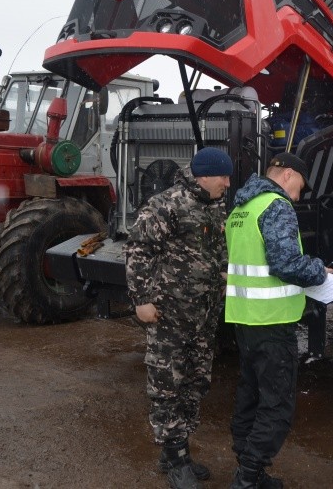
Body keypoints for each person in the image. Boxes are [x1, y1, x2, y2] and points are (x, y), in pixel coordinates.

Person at [124, 146, 234, 489]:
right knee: (167, 384)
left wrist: (222, 274)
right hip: (169, 314)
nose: (228, 184)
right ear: (204, 175)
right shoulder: (165, 205)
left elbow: (216, 250)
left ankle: (178, 451)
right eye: (223, 176)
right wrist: (141, 300)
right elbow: (139, 251)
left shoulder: (214, 206)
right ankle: (175, 458)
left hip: (203, 315)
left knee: (194, 383)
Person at [224, 152, 331, 489]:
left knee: (250, 396)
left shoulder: (241, 208)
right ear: (286, 175)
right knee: (277, 406)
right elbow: (285, 263)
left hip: (245, 319)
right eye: (299, 186)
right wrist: (319, 270)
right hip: (272, 323)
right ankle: (248, 477)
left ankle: (248, 468)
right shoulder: (276, 205)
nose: (297, 196)